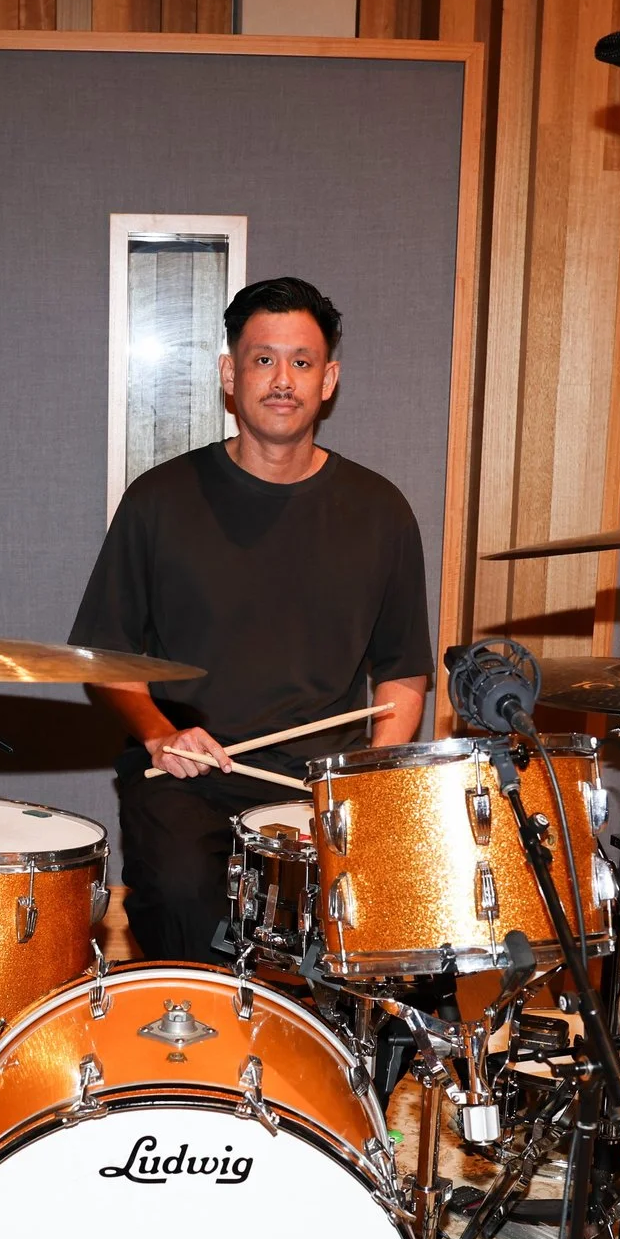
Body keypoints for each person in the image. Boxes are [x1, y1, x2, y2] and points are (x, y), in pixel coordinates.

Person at [69, 276, 432, 961]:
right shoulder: (159, 500)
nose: (282, 379)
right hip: (185, 775)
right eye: (263, 359)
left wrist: (359, 784)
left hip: (314, 780)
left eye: (301, 361)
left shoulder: (380, 512)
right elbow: (104, 658)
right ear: (229, 375)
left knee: (386, 927)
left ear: (329, 379)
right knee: (180, 898)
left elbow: (402, 675)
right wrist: (157, 734)